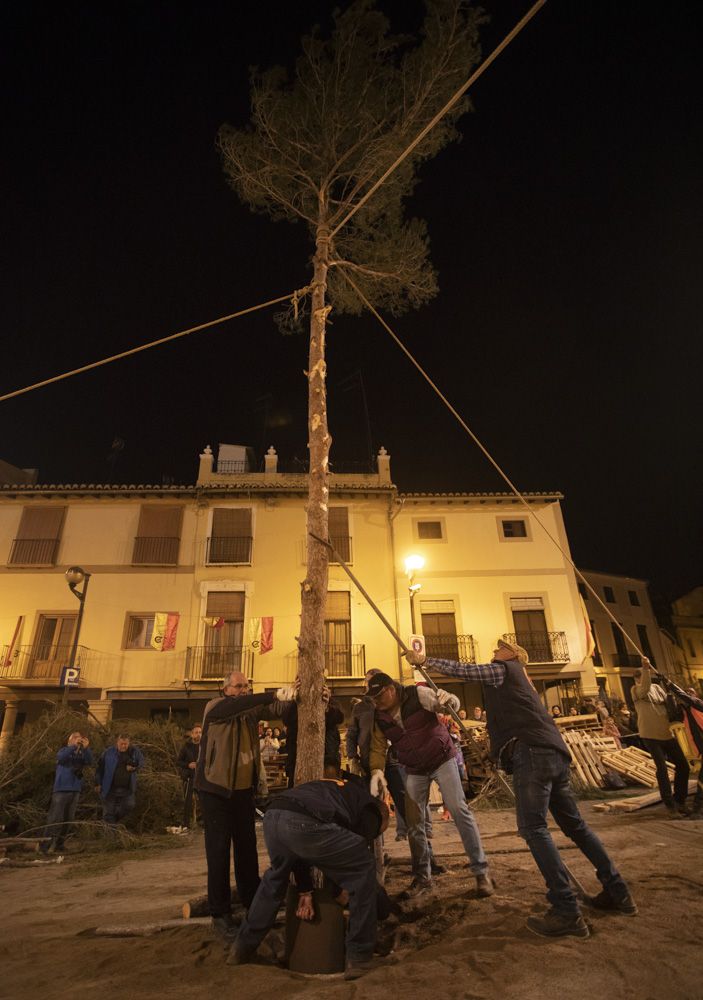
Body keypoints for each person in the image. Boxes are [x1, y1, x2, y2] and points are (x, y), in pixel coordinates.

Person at [406, 639, 636, 938]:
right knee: (575, 825)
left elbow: (468, 671)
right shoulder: (521, 683)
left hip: (533, 754)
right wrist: (497, 755)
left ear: (513, 655)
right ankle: (618, 891)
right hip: (553, 753)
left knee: (533, 828)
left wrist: (425, 660)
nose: (494, 651)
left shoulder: (506, 669)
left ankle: (566, 910)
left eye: (499, 648)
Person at [227, 771, 389, 981]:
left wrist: (305, 888)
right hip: (304, 822)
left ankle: (241, 948)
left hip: (274, 817)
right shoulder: (371, 811)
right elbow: (348, 859)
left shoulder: (340, 790)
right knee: (364, 866)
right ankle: (359, 957)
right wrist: (339, 890)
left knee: (273, 883)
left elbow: (303, 852)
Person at [367, 671, 493, 899]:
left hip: (442, 759)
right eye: (372, 698)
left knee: (458, 809)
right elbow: (377, 746)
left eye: (378, 696)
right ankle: (422, 878)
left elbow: (445, 706)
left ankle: (481, 871)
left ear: (390, 690)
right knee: (414, 823)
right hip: (414, 769)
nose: (376, 702)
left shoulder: (417, 695)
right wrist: (377, 770)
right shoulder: (379, 716)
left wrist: (450, 700)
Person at [194, 671, 297, 940]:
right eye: (238, 686)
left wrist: (294, 693)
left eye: (246, 687)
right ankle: (220, 913)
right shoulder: (216, 708)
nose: (243, 691)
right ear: (225, 688)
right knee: (218, 852)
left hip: (242, 792)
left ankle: (253, 904)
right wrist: (273, 693)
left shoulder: (249, 712)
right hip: (215, 791)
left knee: (247, 850)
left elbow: (272, 707)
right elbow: (239, 705)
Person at [632, 660, 690, 818]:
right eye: (639, 676)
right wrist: (645, 668)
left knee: (683, 766)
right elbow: (644, 688)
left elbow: (668, 702)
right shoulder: (636, 690)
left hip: (666, 733)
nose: (641, 678)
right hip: (650, 735)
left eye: (642, 675)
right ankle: (670, 806)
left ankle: (680, 800)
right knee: (662, 770)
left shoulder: (657, 688)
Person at [40, 731, 93, 854]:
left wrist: (86, 748)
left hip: (75, 790)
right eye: (75, 738)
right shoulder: (64, 750)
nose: (78, 739)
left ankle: (59, 844)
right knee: (55, 818)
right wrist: (74, 746)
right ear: (69, 741)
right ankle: (45, 846)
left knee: (68, 819)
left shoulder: (82, 753)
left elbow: (90, 761)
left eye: (80, 738)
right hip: (61, 789)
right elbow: (61, 758)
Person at [283, 685, 344, 786]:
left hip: (327, 761)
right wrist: (294, 701)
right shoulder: (294, 702)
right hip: (297, 761)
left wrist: (327, 705)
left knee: (328, 793)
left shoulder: (330, 701)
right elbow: (286, 719)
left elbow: (339, 718)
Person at [95, 734, 144, 827]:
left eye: (126, 744)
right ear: (117, 743)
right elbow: (99, 768)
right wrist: (97, 783)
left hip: (127, 789)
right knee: (108, 812)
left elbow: (141, 762)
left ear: (129, 743)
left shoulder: (134, 752)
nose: (123, 746)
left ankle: (112, 822)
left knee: (129, 805)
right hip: (109, 788)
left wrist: (134, 767)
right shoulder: (108, 752)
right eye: (121, 744)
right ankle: (110, 837)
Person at [176, 724, 202, 829]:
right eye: (196, 732)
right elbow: (178, 761)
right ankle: (186, 823)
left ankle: (204, 823)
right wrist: (188, 765)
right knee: (188, 801)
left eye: (200, 732)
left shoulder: (204, 746)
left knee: (204, 800)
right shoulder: (186, 747)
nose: (199, 735)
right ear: (192, 734)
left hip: (203, 778)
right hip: (190, 777)